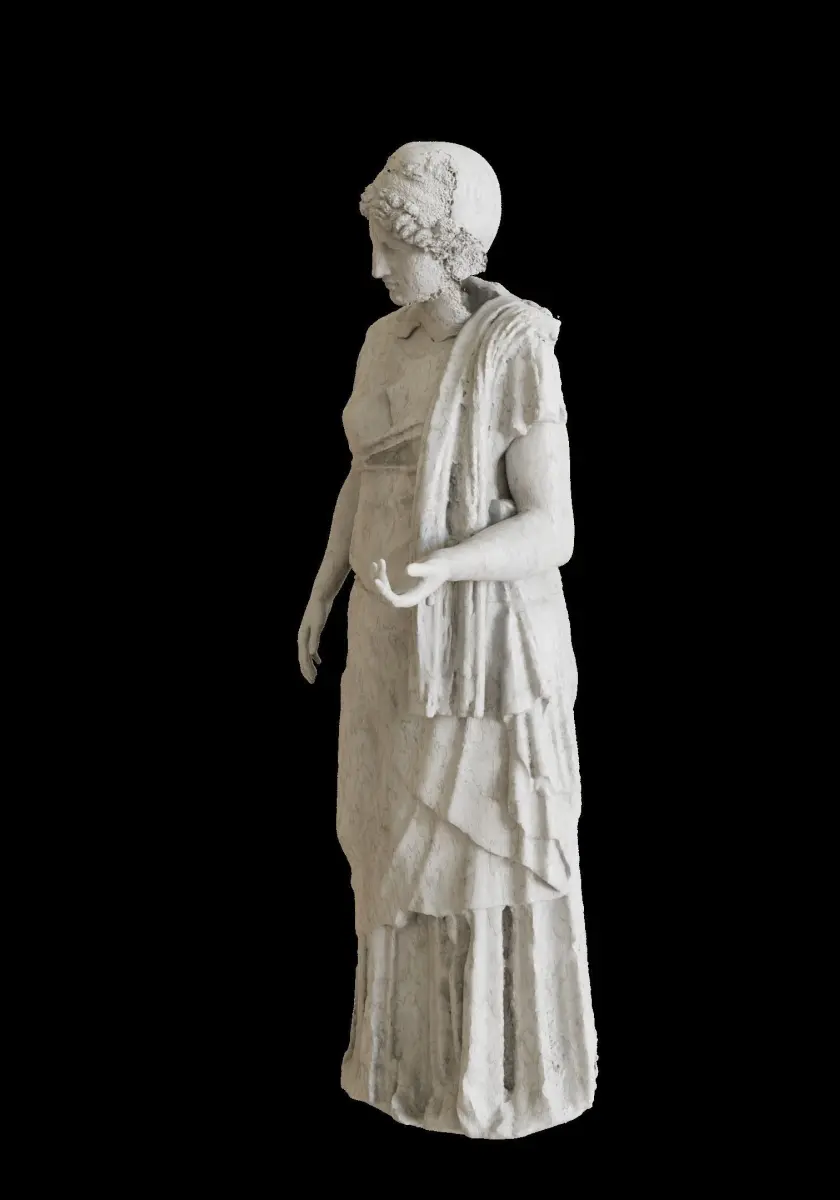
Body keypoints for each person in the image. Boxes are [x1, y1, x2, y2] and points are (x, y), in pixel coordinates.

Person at [297, 142, 596, 1138]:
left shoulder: (514, 347)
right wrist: (326, 584)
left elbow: (551, 529)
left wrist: (442, 568)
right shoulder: (382, 345)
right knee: (385, 845)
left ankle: (488, 1078)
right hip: (388, 632)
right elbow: (367, 471)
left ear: (449, 245)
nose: (377, 267)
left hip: (481, 653)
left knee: (475, 852)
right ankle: (401, 1063)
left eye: (395, 247)